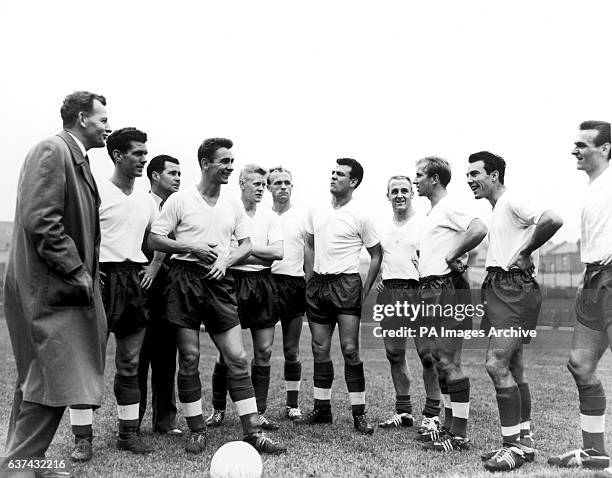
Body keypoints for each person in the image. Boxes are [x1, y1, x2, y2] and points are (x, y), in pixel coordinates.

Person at [148, 138, 286, 455]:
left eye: (231, 161)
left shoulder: (232, 204)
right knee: (190, 358)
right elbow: (156, 238)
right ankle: (197, 430)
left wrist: (226, 260)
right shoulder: (180, 200)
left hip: (220, 281)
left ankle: (252, 431)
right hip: (184, 280)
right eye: (224, 161)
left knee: (237, 357)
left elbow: (246, 244)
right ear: (206, 163)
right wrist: (190, 247)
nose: (229, 166)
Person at [1, 91, 110, 477]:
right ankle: (16, 470)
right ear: (82, 118)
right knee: (54, 379)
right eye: (102, 120)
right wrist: (78, 272)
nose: (107, 127)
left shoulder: (74, 155)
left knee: (40, 379)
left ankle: (25, 462)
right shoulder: (53, 150)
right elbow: (43, 222)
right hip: (50, 291)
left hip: (57, 289)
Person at [69, 127, 162, 460]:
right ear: (118, 155)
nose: (144, 158)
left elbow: (156, 237)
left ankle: (128, 434)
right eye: (137, 153)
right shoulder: (96, 191)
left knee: (129, 362)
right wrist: (86, 274)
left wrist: (157, 264)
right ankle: (83, 439)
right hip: (101, 279)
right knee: (87, 363)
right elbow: (77, 234)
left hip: (133, 281)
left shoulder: (145, 198)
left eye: (145, 152)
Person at [467, 151, 562, 471]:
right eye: (468, 175)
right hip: (498, 286)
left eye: (475, 174)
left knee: (495, 363)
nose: (470, 180)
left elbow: (553, 218)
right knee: (514, 366)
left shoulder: (511, 200)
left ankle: (513, 447)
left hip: (513, 288)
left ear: (494, 175)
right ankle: (524, 441)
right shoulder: (497, 210)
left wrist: (525, 250)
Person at [298, 158, 382, 434]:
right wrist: (310, 279)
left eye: (340, 174)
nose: (333, 177)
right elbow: (309, 244)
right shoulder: (316, 209)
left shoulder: (362, 214)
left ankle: (359, 413)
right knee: (319, 349)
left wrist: (365, 289)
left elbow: (376, 253)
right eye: (332, 172)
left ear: (353, 182)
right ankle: (322, 410)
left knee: (349, 349)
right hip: (318, 286)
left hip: (346, 285)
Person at [548, 121, 612, 472]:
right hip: (593, 280)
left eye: (582, 145)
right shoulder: (592, 188)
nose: (575, 150)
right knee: (580, 365)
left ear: (605, 149)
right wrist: (585, 276)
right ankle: (595, 452)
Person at [413, 156, 487, 452]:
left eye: (419, 175)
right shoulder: (432, 212)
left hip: (446, 288)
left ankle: (460, 435)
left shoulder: (450, 205)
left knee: (450, 361)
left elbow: (479, 228)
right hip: (429, 288)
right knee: (437, 359)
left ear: (435, 179)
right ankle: (448, 425)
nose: (415, 180)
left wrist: (451, 255)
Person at [206, 164, 283, 431]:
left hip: (262, 283)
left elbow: (278, 254)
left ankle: (258, 412)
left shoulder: (270, 218)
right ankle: (218, 410)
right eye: (256, 184)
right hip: (233, 282)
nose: (262, 189)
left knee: (264, 351)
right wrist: (247, 251)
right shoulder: (227, 212)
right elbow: (222, 249)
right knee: (227, 353)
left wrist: (244, 249)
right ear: (241, 183)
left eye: (264, 184)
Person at [375, 176, 443, 433]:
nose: (400, 195)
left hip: (419, 292)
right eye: (394, 191)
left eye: (404, 190)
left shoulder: (425, 223)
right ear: (388, 195)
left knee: (428, 356)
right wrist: (384, 279)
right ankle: (403, 412)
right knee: (394, 354)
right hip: (391, 292)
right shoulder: (382, 227)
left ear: (412, 194)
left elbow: (445, 249)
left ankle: (432, 414)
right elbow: (379, 257)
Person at [137, 155, 182, 436]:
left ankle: (165, 421)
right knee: (137, 358)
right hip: (141, 287)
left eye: (180, 173)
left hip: (169, 288)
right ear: (155, 176)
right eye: (172, 173)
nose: (178, 178)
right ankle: (132, 421)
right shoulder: (140, 204)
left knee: (167, 356)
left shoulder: (179, 205)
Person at [269, 166, 308, 420]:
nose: (283, 187)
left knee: (291, 349)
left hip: (294, 284)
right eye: (277, 183)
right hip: (265, 284)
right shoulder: (262, 217)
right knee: (260, 350)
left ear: (292, 187)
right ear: (269, 187)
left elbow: (311, 253)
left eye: (287, 183)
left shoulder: (303, 218)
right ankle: (255, 407)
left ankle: (292, 405)